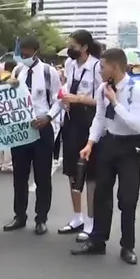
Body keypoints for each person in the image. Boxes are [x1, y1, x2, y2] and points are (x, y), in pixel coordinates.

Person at [71, 48, 140, 265]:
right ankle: (98, 240)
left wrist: (115, 102)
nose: (100, 72)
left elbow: (136, 125)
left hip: (130, 147)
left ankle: (128, 246)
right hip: (108, 144)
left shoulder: (137, 89)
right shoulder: (103, 88)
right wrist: (90, 143)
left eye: (103, 68)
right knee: (101, 194)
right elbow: (99, 118)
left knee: (128, 198)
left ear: (115, 67)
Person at [1, 36, 63, 236]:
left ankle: (41, 218)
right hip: (21, 129)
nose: (24, 55)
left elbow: (58, 99)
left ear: (36, 51)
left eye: (27, 52)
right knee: (19, 175)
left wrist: (49, 117)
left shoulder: (48, 72)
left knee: (42, 176)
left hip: (41, 127)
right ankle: (19, 216)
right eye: (22, 52)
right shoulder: (18, 70)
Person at [57, 30, 101, 240]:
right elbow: (66, 88)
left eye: (73, 45)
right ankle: (78, 216)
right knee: (72, 171)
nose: (70, 48)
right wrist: (65, 97)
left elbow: (103, 100)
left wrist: (79, 99)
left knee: (90, 172)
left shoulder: (97, 67)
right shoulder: (69, 65)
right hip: (71, 120)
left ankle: (92, 221)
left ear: (84, 47)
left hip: (89, 121)